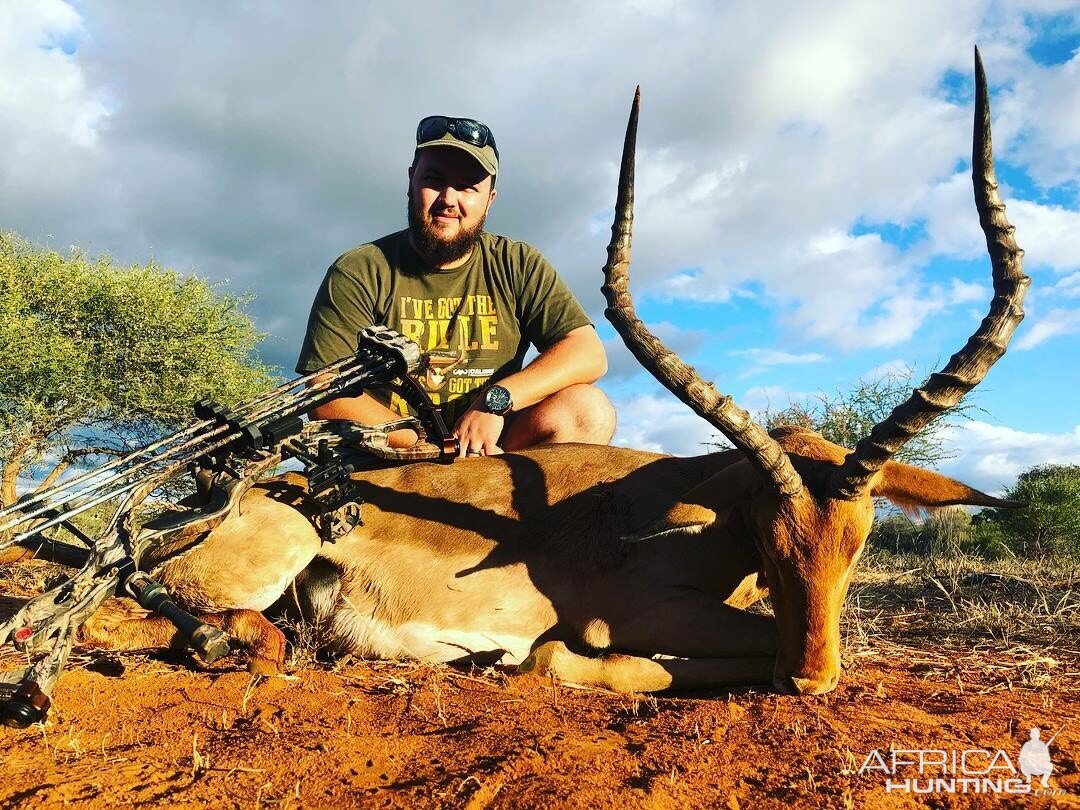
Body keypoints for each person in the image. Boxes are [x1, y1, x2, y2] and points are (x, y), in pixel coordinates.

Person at [296, 115, 614, 457]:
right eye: (434, 179)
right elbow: (327, 394)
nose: (448, 198)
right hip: (393, 457)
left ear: (489, 199)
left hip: (487, 454)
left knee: (587, 410)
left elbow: (587, 353)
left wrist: (496, 402)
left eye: (467, 187)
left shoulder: (518, 263)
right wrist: (431, 447)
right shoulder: (359, 269)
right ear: (410, 181)